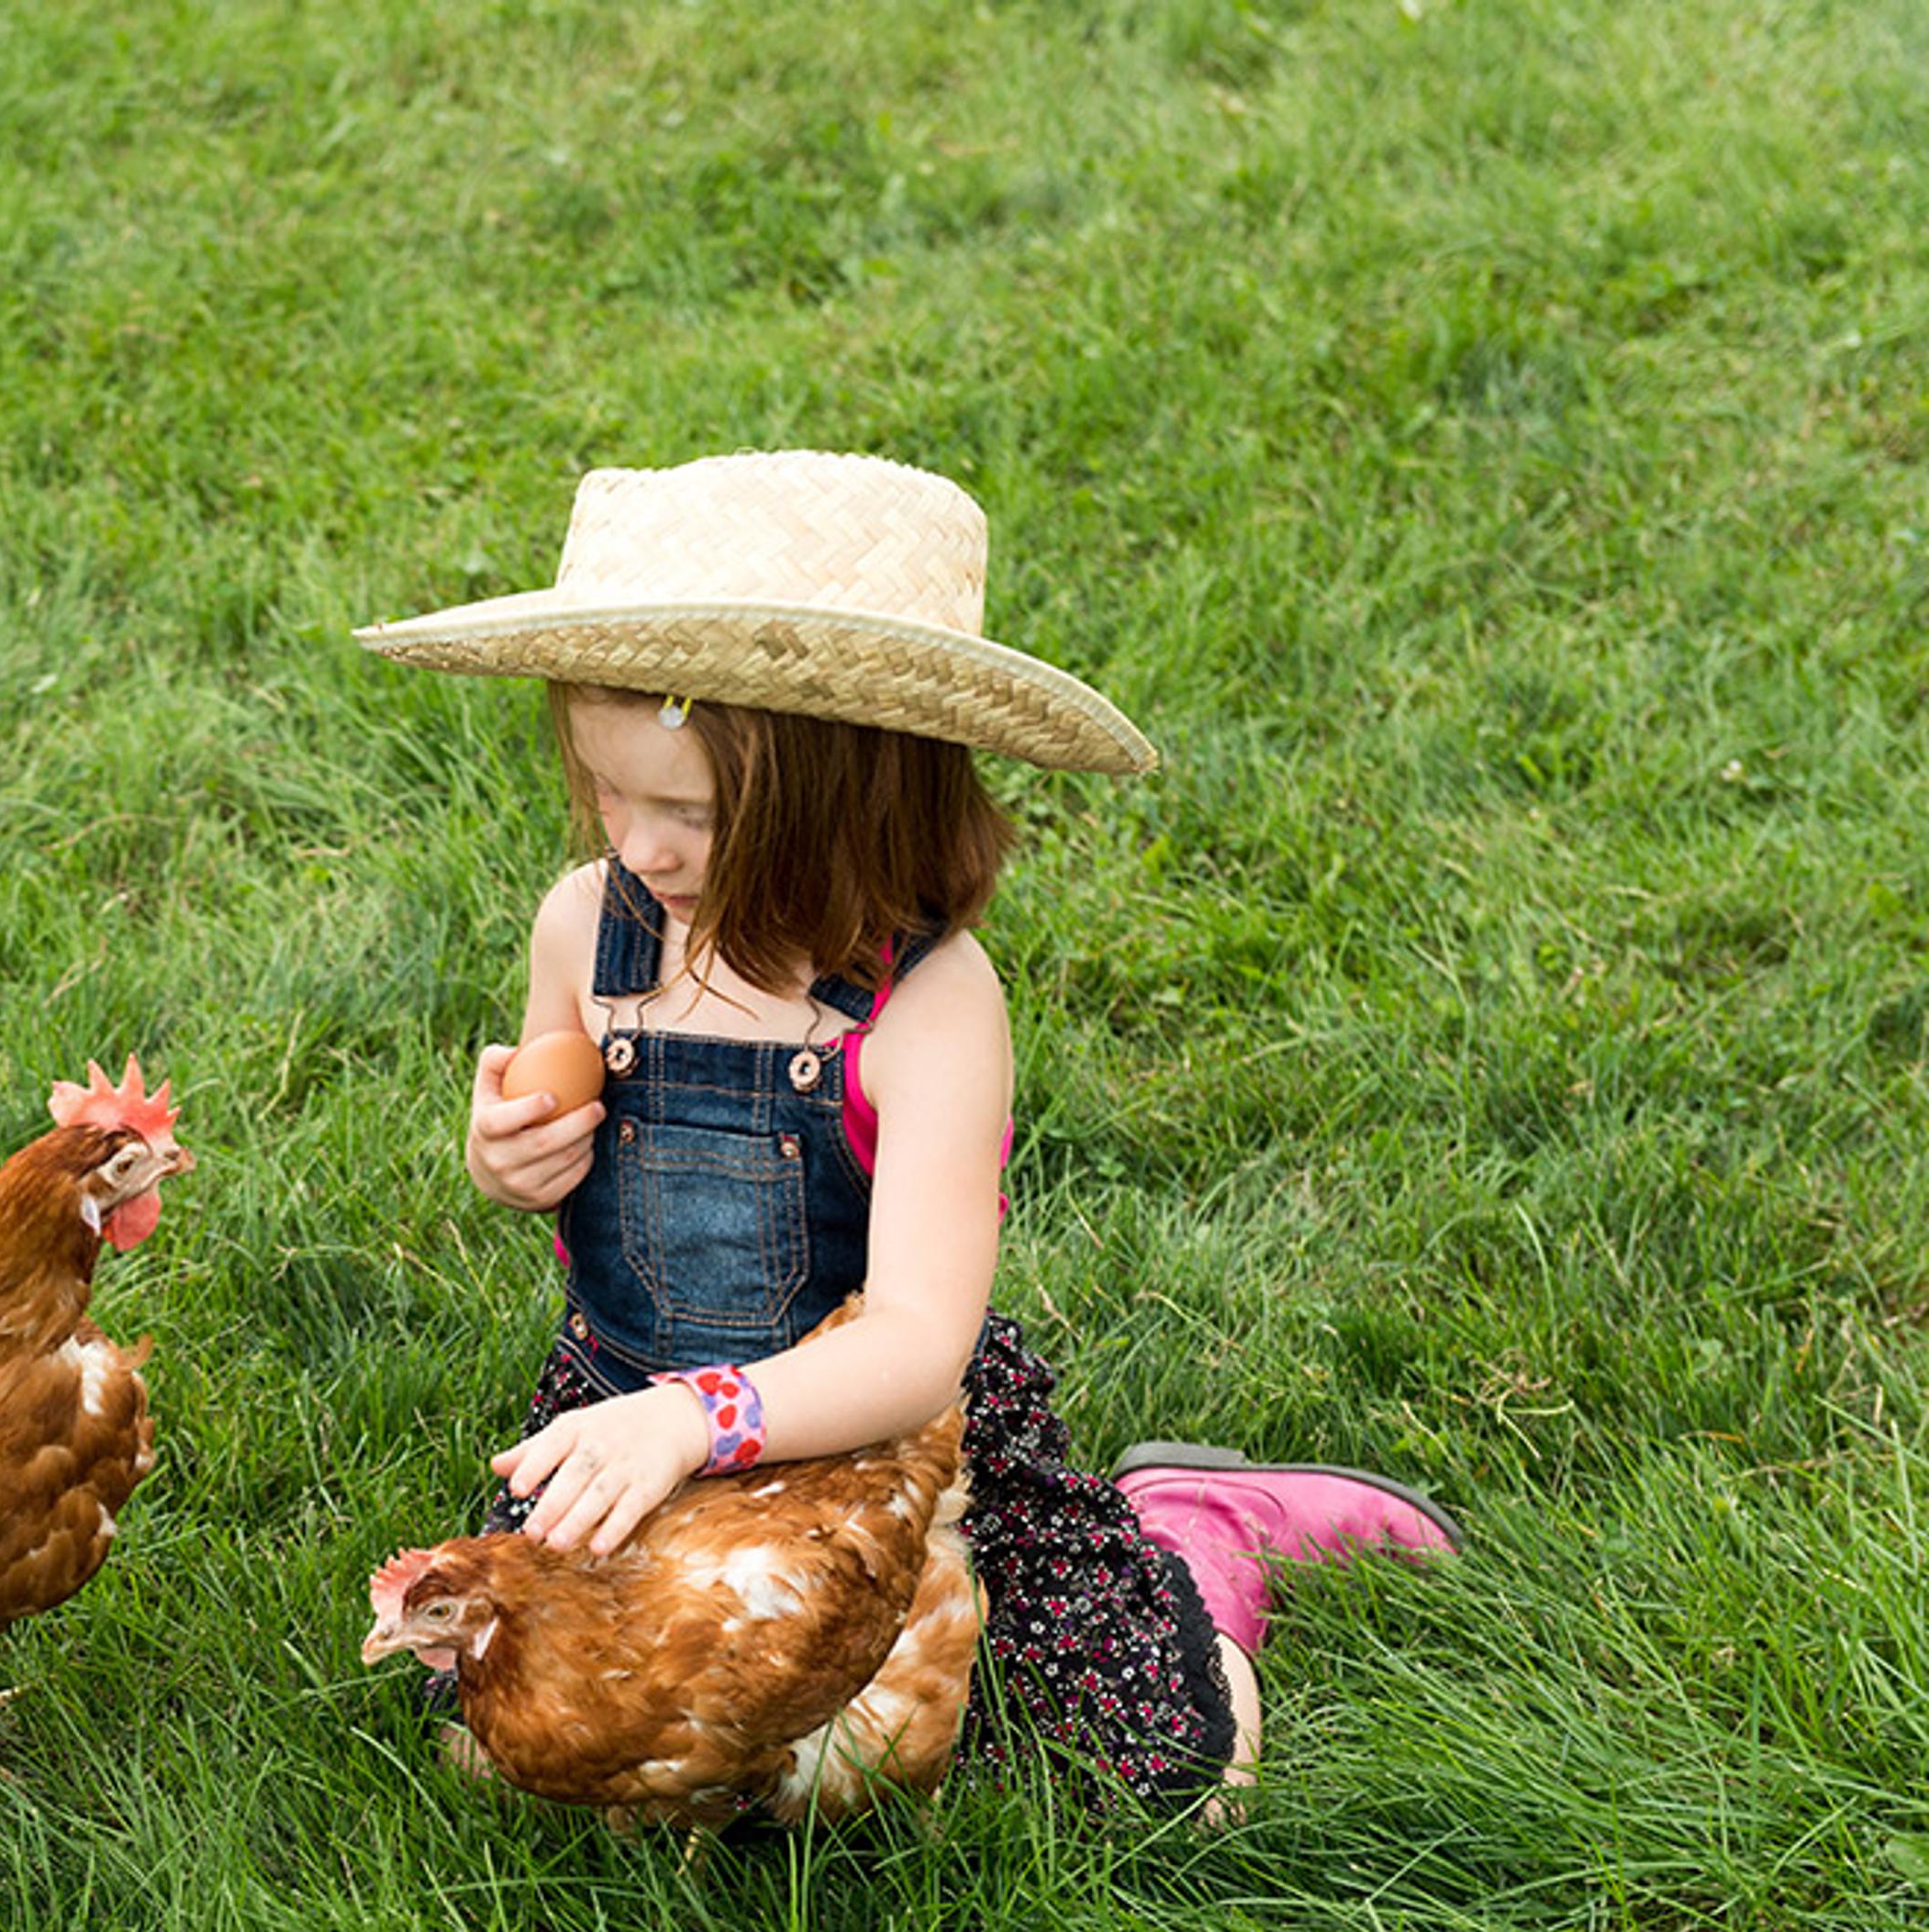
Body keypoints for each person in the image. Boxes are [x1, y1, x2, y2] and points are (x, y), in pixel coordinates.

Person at [355, 450, 1459, 1813]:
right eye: (607, 792)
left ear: (851, 796)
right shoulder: (590, 924)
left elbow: (918, 1342)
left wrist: (698, 1426)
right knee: (537, 1747)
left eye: (690, 813)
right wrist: (512, 1158)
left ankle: (1195, 1530)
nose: (636, 844)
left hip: (886, 1441)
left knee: (1160, 1771)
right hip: (629, 1407)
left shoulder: (929, 1009)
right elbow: (556, 1127)